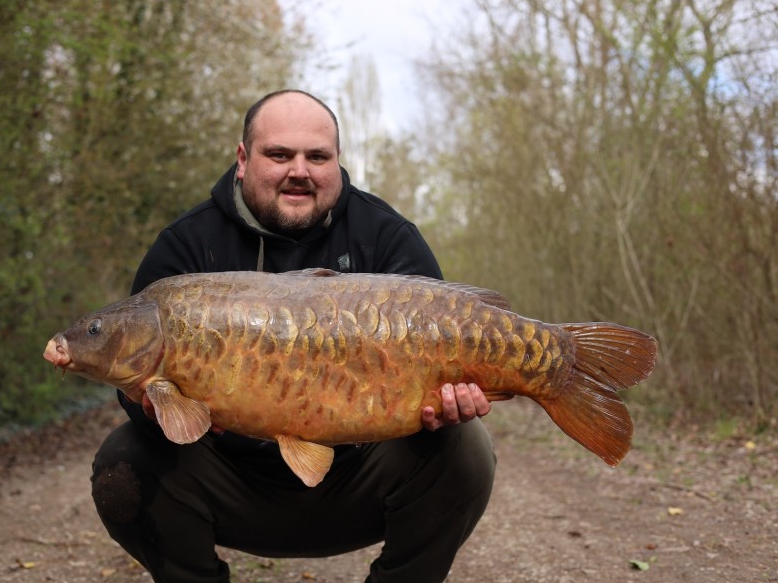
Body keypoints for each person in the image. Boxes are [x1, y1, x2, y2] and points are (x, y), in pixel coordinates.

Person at [90, 89, 497, 583]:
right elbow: (134, 390)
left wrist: (454, 402)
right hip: (228, 484)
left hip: (359, 480)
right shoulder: (186, 247)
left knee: (466, 447)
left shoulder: (386, 237)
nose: (298, 170)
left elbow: (443, 370)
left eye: (317, 156)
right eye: (279, 154)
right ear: (243, 160)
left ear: (338, 162)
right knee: (123, 460)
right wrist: (150, 406)